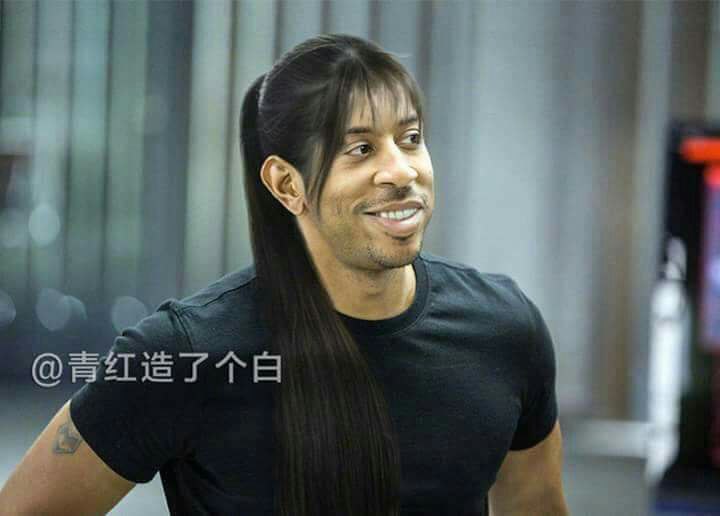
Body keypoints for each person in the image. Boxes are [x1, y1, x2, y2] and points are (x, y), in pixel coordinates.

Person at [0, 34, 568, 516]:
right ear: (287, 185)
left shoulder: (502, 328)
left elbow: (537, 504)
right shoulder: (187, 352)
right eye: (360, 149)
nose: (400, 171)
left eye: (410, 139)